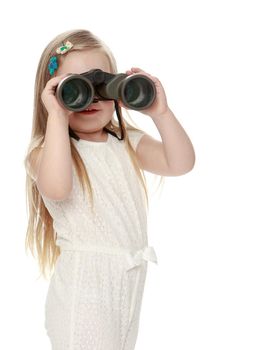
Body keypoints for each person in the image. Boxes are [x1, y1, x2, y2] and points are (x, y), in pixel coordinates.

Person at [24, 29, 195, 350]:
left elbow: (181, 163)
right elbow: (58, 189)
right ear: (51, 94)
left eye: (101, 85)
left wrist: (161, 113)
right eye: (75, 87)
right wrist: (57, 119)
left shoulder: (126, 141)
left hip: (129, 278)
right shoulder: (46, 152)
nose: (91, 99)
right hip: (85, 285)